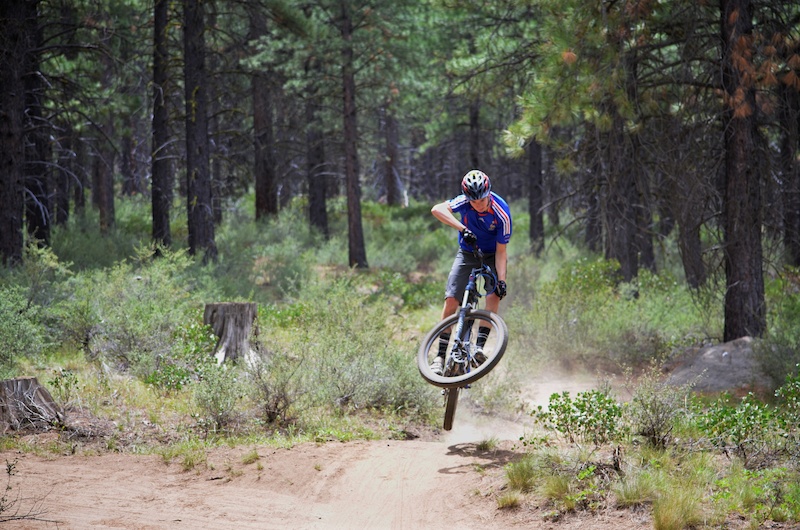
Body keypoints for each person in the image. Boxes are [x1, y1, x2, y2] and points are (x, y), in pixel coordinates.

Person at [429, 169, 512, 375]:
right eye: (473, 201)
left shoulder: (501, 212)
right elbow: (437, 209)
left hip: (492, 254)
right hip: (467, 253)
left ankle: (479, 348)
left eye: (482, 199)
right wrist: (462, 229)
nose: (478, 204)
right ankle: (439, 356)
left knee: (494, 295)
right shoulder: (464, 202)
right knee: (451, 301)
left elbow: (502, 251)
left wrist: (501, 280)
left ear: (488, 193)